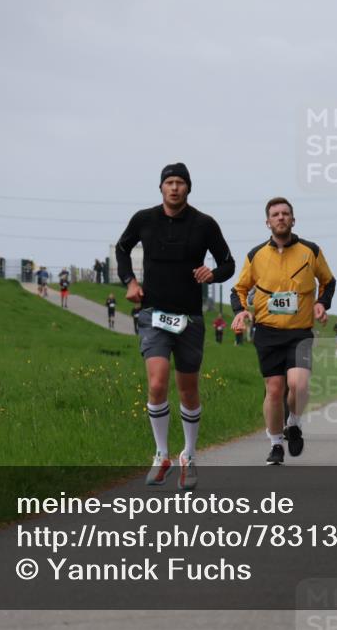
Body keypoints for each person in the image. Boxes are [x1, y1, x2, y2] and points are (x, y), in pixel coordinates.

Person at [115, 162, 235, 489]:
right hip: (153, 314)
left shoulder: (204, 224)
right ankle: (161, 454)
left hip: (189, 317)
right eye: (169, 182)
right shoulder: (144, 219)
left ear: (188, 188)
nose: (174, 187)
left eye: (180, 182)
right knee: (157, 383)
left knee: (188, 389)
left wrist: (213, 273)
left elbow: (228, 263)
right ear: (161, 187)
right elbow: (122, 248)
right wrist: (130, 281)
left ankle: (189, 455)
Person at [230, 197, 335, 465]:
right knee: (274, 390)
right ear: (267, 222)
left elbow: (328, 281)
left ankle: (294, 423)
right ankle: (276, 444)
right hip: (268, 332)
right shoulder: (256, 255)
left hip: (299, 332)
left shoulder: (310, 251)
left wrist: (322, 303)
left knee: (299, 384)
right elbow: (239, 289)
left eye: (285, 213)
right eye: (275, 214)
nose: (280, 218)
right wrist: (240, 311)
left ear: (293, 220)